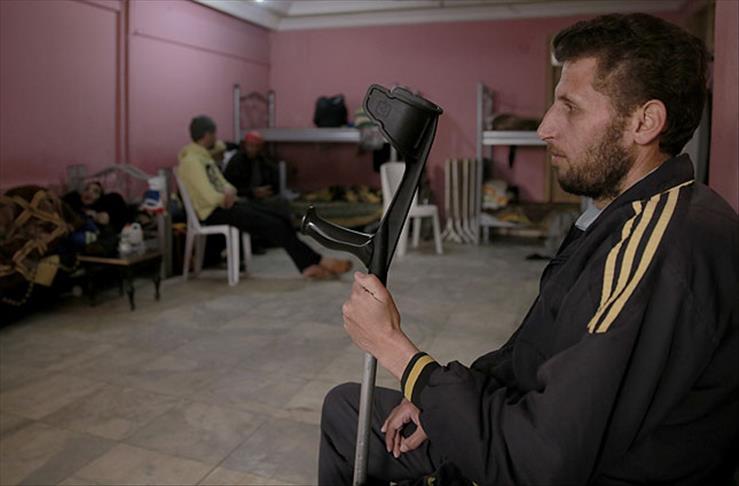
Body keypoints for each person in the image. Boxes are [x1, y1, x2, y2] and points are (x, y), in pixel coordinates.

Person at [319, 13, 738, 485]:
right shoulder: (622, 215)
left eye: (570, 107)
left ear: (644, 122)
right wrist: (431, 393)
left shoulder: (663, 250)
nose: (545, 127)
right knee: (348, 410)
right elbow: (532, 349)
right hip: (528, 426)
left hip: (559, 466)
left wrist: (397, 351)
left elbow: (535, 462)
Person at [176, 115, 352, 279]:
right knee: (274, 225)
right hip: (214, 212)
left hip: (227, 205)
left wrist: (229, 193)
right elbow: (209, 195)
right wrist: (225, 196)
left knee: (280, 218)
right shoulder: (192, 162)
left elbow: (226, 185)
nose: (216, 138)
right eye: (214, 134)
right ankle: (316, 262)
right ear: (207, 135)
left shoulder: (204, 158)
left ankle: (309, 264)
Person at [223, 130, 294, 222]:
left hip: (260, 197)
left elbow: (273, 179)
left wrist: (266, 191)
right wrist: (252, 192)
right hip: (242, 198)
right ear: (245, 145)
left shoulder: (262, 161)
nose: (253, 149)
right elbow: (231, 187)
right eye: (251, 145)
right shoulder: (237, 162)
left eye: (257, 146)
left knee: (282, 203)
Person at [63, 181, 129, 233]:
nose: (89, 192)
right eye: (86, 189)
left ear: (100, 198)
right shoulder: (74, 203)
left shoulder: (101, 210)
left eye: (95, 191)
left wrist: (96, 216)